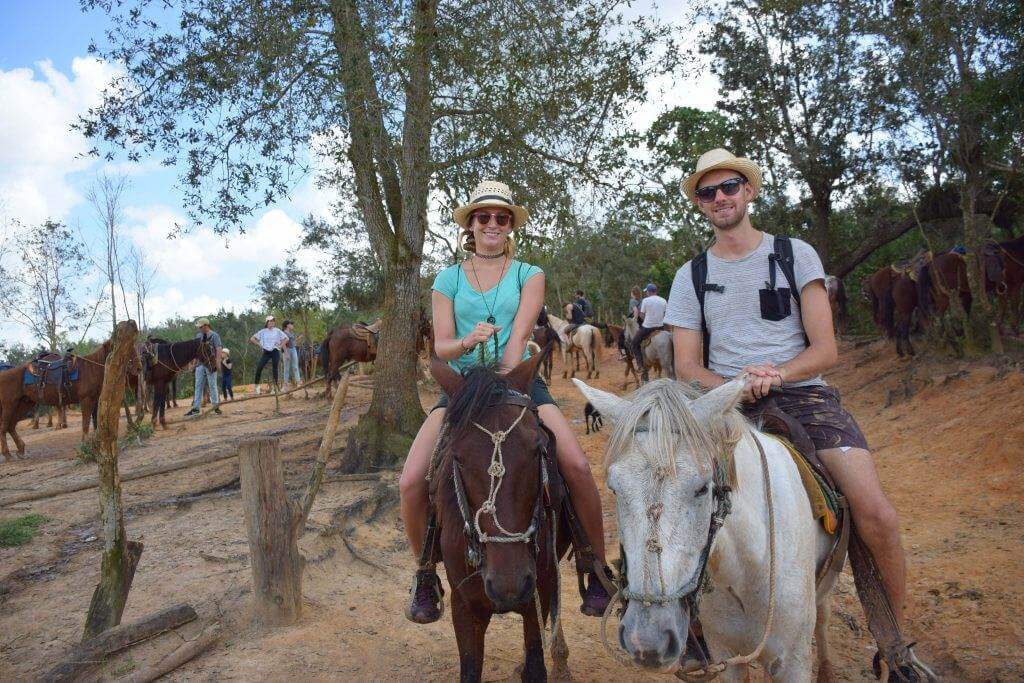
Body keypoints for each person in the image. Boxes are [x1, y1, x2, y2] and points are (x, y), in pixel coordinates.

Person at [665, 148, 914, 668]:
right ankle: (686, 626)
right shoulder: (689, 276)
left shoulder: (794, 253)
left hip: (805, 395)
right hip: (725, 403)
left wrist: (777, 374)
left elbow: (826, 350)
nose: (720, 198)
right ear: (699, 203)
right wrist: (735, 385)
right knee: (664, 495)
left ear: (749, 191)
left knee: (877, 514)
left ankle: (895, 641)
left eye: (729, 186)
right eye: (707, 192)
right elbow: (687, 366)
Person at [399, 180, 613, 624]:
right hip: (461, 387)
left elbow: (519, 333)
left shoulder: (528, 273)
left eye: (501, 217)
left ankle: (594, 565)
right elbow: (441, 346)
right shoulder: (447, 279)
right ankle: (425, 573)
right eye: (483, 217)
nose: (492, 223)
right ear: (470, 225)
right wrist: (466, 341)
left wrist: (508, 379)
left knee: (575, 463)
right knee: (412, 479)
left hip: (517, 379)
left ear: (510, 225)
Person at [630, 283, 667, 382]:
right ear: (656, 291)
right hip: (661, 327)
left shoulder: (646, 300)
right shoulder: (663, 300)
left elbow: (641, 315)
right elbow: (665, 314)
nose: (646, 293)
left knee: (634, 343)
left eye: (646, 291)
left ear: (649, 292)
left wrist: (648, 319)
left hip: (648, 328)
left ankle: (640, 365)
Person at [184, 318, 221, 417]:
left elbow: (218, 349)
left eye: (201, 327)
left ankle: (215, 407)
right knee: (198, 385)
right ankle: (196, 408)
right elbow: (196, 351)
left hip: (210, 364)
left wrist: (218, 363)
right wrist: (193, 363)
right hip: (200, 364)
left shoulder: (214, 335)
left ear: (206, 326)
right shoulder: (198, 336)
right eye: (199, 327)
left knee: (212, 384)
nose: (199, 328)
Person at [249, 315, 289, 393]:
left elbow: (286, 338)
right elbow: (252, 338)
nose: (272, 322)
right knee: (259, 367)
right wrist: (260, 345)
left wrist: (280, 346)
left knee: (275, 368)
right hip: (266, 352)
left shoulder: (277, 330)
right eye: (270, 321)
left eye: (273, 321)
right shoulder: (263, 331)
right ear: (267, 322)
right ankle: (257, 386)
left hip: (275, 351)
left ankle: (275, 388)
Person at [281, 320, 303, 391]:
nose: (292, 325)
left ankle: (298, 383)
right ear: (287, 325)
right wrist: (286, 353)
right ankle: (285, 386)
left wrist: (298, 338)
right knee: (286, 368)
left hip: (293, 349)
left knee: (295, 366)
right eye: (291, 324)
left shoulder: (291, 333)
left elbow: (293, 342)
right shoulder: (283, 333)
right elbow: (283, 343)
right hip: (287, 350)